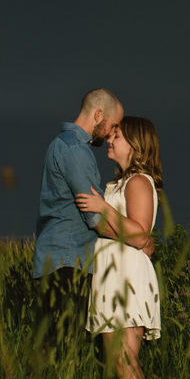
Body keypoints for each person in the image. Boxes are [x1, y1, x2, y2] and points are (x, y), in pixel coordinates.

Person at [75, 115, 164, 379]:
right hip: (112, 275)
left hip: (126, 277)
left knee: (124, 361)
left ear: (136, 145)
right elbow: (117, 232)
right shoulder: (120, 183)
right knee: (117, 362)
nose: (110, 140)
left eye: (118, 136)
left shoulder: (138, 182)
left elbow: (138, 234)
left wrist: (101, 207)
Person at [32, 87, 125, 349]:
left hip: (55, 261)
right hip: (69, 264)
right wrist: (137, 239)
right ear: (98, 115)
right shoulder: (76, 152)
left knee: (52, 349)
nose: (111, 134)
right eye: (112, 125)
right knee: (63, 350)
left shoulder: (59, 145)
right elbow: (96, 220)